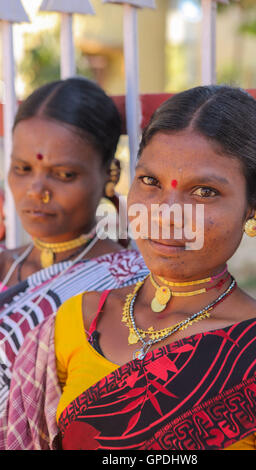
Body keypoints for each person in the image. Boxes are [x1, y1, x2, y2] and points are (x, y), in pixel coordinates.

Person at [2, 85, 256, 450]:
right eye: (150, 182)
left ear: (255, 209)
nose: (165, 214)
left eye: (204, 191)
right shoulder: (78, 319)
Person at [0, 77, 148, 416]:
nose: (36, 190)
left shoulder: (127, 284)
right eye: (22, 169)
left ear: (111, 175)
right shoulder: (5, 264)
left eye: (64, 174)